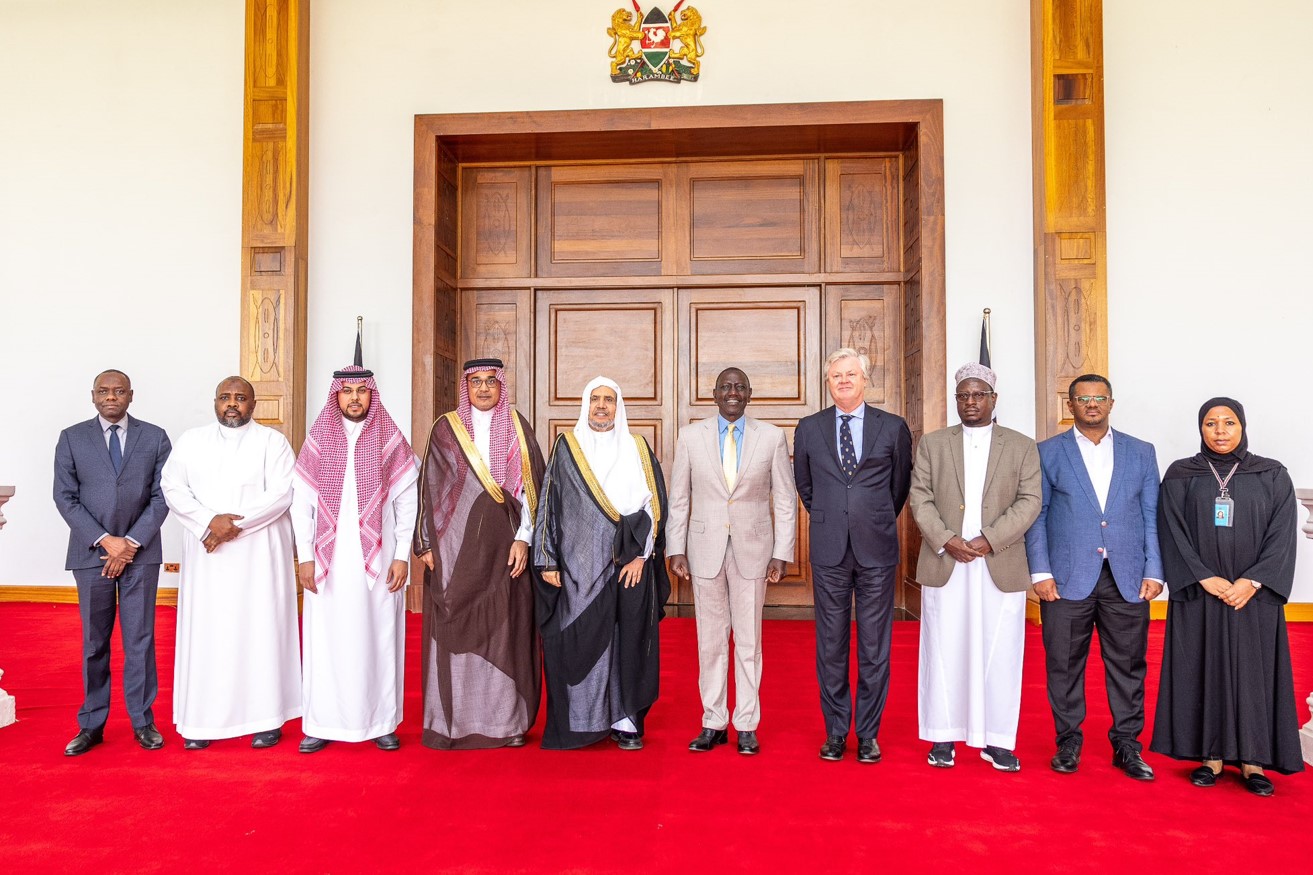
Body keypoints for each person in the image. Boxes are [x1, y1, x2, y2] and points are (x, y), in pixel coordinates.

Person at [1150, 397, 1304, 796]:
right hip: (1202, 596)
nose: (1220, 430)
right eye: (1211, 424)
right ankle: (1211, 757)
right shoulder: (1182, 474)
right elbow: (1172, 531)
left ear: (1242, 426)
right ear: (1200, 429)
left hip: (1253, 597)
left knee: (1255, 674)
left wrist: (1251, 581)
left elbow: (1282, 535)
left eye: (1229, 423)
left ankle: (1254, 761)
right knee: (1205, 668)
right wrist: (1203, 577)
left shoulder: (1271, 473)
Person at [1024, 374, 1161, 780]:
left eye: (1099, 398)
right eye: (1083, 398)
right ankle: (1068, 741)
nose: (1092, 404)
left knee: (1129, 664)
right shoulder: (1047, 453)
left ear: (1112, 403)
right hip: (1066, 578)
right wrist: (1041, 570)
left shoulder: (1141, 452)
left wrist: (1154, 568)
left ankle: (1127, 745)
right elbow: (1037, 517)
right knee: (1064, 665)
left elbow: (1152, 515)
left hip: (1128, 577)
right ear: (1070, 406)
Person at [909, 363, 1040, 772]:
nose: (970, 402)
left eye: (978, 394)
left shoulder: (1021, 445)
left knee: (1000, 649)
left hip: (998, 560)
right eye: (963, 395)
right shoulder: (932, 443)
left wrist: (989, 538)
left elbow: (1030, 500)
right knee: (943, 648)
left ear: (993, 399)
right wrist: (947, 539)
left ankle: (997, 740)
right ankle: (943, 736)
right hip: (946, 558)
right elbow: (920, 498)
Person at [290, 350, 419, 754]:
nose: (355, 398)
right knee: (325, 639)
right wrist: (305, 557)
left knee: (378, 637)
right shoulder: (319, 438)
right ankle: (321, 722)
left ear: (371, 393)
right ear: (336, 396)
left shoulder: (390, 437)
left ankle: (380, 721)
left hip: (378, 563)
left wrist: (401, 556)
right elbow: (301, 505)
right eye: (347, 391)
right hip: (328, 563)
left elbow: (407, 502)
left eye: (362, 390)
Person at [160, 376, 299, 750]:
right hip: (209, 559)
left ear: (254, 405)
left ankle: (267, 717)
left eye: (241, 398)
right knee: (210, 633)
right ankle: (202, 720)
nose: (232, 404)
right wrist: (209, 522)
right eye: (225, 397)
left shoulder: (273, 442)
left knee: (261, 629)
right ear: (215, 402)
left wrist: (229, 527)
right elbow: (172, 486)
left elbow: (282, 493)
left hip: (259, 554)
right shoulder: (192, 441)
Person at [413, 358, 545, 749]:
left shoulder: (519, 427)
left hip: (508, 548)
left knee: (506, 631)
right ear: (465, 388)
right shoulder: (446, 428)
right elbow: (430, 489)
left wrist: (524, 539)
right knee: (457, 629)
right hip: (458, 550)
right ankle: (455, 723)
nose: (484, 389)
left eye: (491, 381)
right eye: (476, 383)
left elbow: (533, 491)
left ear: (500, 386)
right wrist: (425, 542)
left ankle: (508, 724)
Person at [532, 376, 671, 750]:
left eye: (609, 399)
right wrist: (546, 560)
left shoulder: (637, 448)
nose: (602, 406)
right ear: (585, 404)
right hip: (578, 568)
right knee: (580, 640)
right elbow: (548, 505)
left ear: (618, 406)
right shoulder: (567, 447)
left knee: (627, 640)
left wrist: (642, 556)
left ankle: (625, 721)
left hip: (630, 566)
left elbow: (654, 505)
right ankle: (582, 720)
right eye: (596, 399)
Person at [667, 367, 797, 756]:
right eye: (726, 387)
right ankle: (712, 721)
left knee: (749, 640)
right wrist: (675, 547)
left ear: (750, 393)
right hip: (703, 550)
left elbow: (786, 500)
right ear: (714, 393)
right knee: (710, 640)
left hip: (753, 551)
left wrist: (782, 552)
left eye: (740, 387)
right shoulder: (690, 437)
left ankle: (746, 724)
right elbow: (680, 498)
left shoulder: (771, 437)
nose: (733, 392)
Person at [793, 348, 912, 764]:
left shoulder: (893, 427)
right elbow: (805, 487)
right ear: (828, 383)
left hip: (876, 549)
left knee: (875, 646)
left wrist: (869, 517)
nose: (844, 380)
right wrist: (835, 519)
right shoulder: (808, 428)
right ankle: (836, 731)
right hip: (828, 551)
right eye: (836, 376)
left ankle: (868, 733)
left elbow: (899, 488)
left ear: (865, 379)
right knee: (830, 644)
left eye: (851, 374)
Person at [54, 369, 172, 756]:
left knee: (139, 639)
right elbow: (65, 497)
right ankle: (92, 724)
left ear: (131, 395)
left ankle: (143, 721)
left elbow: (162, 496)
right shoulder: (71, 438)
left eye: (118, 391)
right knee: (94, 642)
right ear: (92, 396)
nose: (111, 397)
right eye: (103, 391)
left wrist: (131, 543)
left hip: (141, 555)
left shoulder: (154, 437)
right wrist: (107, 541)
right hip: (91, 555)